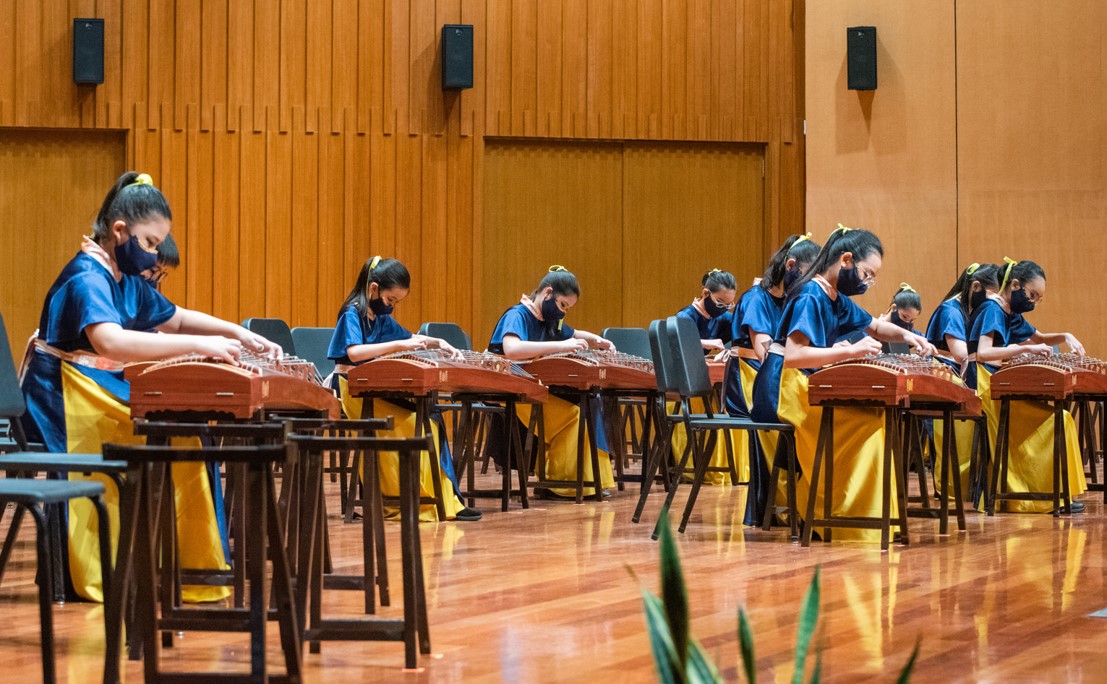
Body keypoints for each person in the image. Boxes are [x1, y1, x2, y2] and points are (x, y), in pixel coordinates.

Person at [20, 171, 280, 602]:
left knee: (187, 433)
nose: (153, 254)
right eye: (149, 243)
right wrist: (202, 345)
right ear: (119, 231)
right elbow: (111, 341)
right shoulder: (87, 274)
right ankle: (118, 567)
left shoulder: (123, 278)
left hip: (95, 388)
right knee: (166, 435)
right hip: (59, 400)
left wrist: (239, 334)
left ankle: (182, 568)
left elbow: (173, 318)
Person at [750, 226, 936, 541]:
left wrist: (908, 335)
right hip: (786, 389)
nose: (867, 282)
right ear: (846, 259)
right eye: (867, 274)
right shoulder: (811, 293)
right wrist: (849, 351)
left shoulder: (833, 296)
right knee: (865, 424)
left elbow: (876, 327)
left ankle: (858, 516)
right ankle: (841, 517)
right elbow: (793, 356)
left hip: (810, 385)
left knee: (874, 416)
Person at [327, 255, 479, 522]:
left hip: (374, 390)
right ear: (373, 289)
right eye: (390, 300)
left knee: (429, 423)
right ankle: (407, 501)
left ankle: (444, 501)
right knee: (413, 426)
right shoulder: (353, 312)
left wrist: (437, 342)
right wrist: (399, 347)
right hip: (352, 390)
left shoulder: (381, 317)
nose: (392, 306)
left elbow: (410, 338)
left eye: (396, 302)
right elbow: (353, 352)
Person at [965, 258, 1087, 513]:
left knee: (1061, 418)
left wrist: (1066, 336)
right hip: (985, 388)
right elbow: (983, 353)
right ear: (1016, 285)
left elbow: (1040, 337)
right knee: (1059, 420)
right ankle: (1040, 494)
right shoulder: (993, 309)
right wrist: (1025, 349)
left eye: (1038, 299)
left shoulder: (1011, 313)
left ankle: (1055, 492)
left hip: (1000, 385)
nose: (1033, 302)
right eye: (1033, 295)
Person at [487, 265, 616, 499]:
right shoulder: (517, 314)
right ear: (548, 293)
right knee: (572, 416)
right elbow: (512, 348)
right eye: (563, 305)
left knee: (585, 406)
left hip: (530, 389)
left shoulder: (548, 319)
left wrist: (598, 340)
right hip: (509, 389)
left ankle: (584, 481)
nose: (563, 312)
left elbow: (573, 333)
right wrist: (561, 346)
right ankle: (561, 483)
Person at [725, 233, 820, 524]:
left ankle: (804, 500)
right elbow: (764, 350)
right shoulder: (756, 298)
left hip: (775, 376)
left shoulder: (794, 299)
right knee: (792, 414)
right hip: (749, 378)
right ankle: (785, 504)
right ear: (790, 266)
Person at [925, 263, 1000, 502]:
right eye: (991, 296)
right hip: (941, 383)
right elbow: (960, 354)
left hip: (958, 380)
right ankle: (951, 488)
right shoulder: (951, 310)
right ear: (975, 286)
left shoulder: (967, 308)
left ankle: (973, 486)